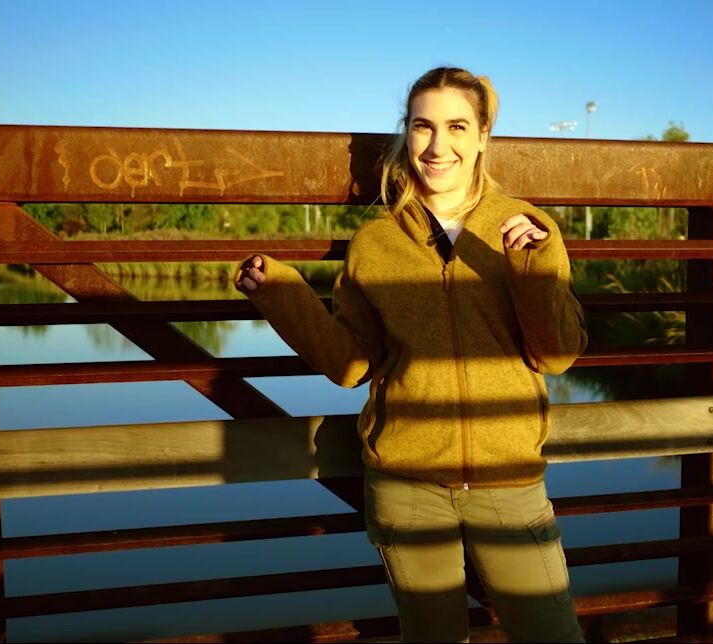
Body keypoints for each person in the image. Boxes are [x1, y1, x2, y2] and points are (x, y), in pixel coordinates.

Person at [234, 66, 587, 643]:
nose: (438, 145)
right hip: (406, 487)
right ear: (407, 132)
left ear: (483, 135)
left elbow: (556, 355)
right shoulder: (376, 243)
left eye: (456, 126)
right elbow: (351, 366)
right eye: (423, 126)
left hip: (509, 481)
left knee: (551, 634)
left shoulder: (528, 228)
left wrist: (532, 270)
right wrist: (283, 296)